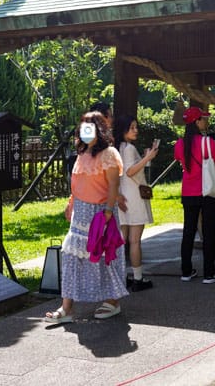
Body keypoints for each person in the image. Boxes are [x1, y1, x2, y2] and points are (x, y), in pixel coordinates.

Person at [45, 111, 128, 324]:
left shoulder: (109, 154)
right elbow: (77, 184)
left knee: (104, 256)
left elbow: (113, 185)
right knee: (72, 257)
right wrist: (71, 203)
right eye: (83, 127)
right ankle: (66, 308)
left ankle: (113, 301)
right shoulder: (81, 154)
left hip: (101, 213)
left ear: (99, 130)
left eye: (90, 127)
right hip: (80, 213)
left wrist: (108, 211)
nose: (85, 131)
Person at [174, 107, 215, 283]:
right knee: (208, 233)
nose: (206, 121)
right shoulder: (208, 142)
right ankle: (209, 273)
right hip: (207, 191)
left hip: (188, 192)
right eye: (203, 118)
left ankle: (186, 271)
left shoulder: (179, 144)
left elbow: (181, 162)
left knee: (188, 231)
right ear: (197, 122)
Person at [113, 114, 158, 292]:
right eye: (132, 127)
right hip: (134, 196)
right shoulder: (129, 148)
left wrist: (144, 159)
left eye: (135, 127)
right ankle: (138, 278)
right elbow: (130, 171)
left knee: (121, 240)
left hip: (121, 195)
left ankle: (121, 276)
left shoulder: (118, 148)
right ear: (123, 130)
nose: (135, 130)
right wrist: (148, 158)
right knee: (135, 241)